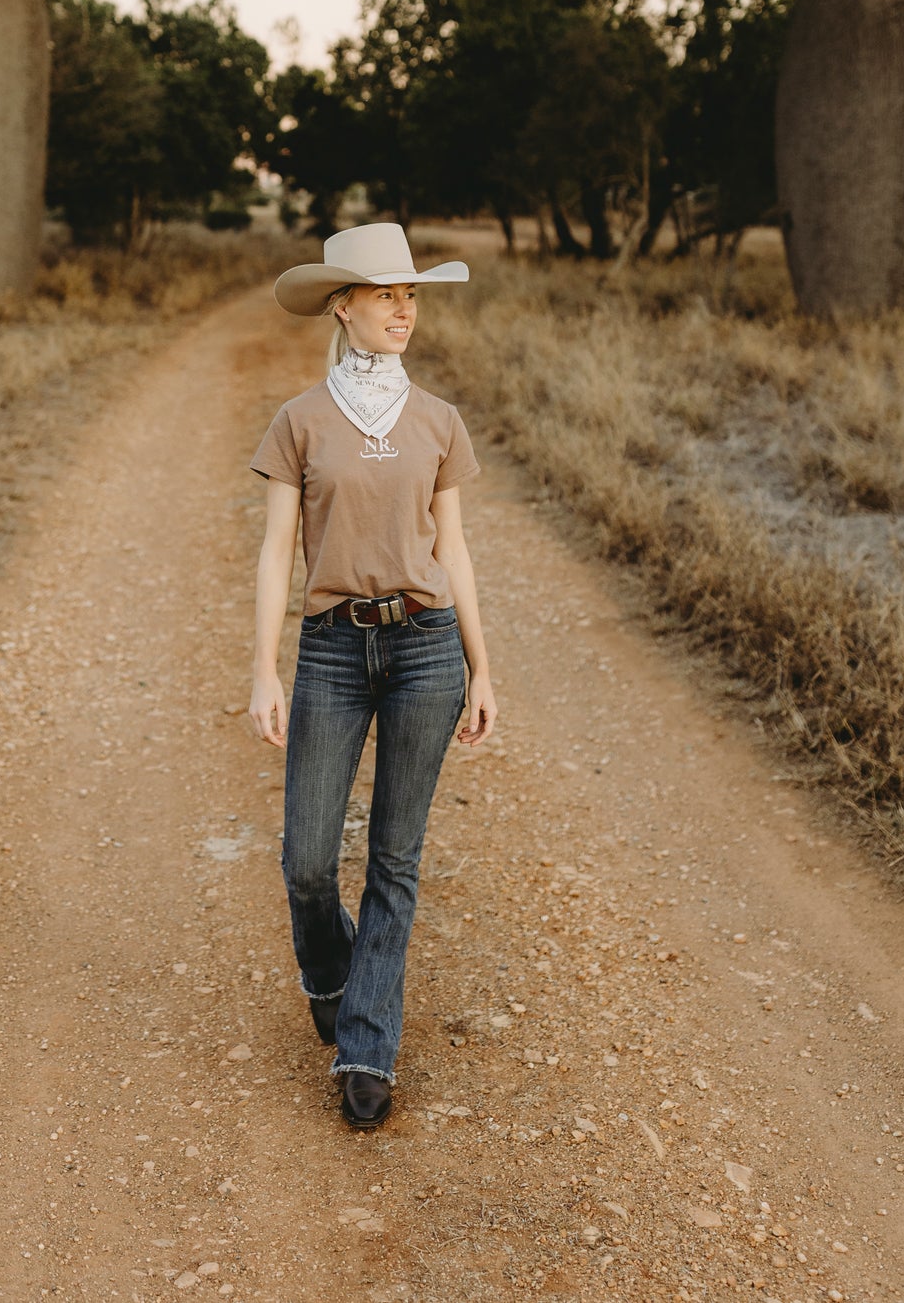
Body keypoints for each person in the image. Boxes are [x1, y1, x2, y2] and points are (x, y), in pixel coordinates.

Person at [247, 222, 497, 1129]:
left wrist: (481, 663)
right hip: (332, 650)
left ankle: (367, 1046)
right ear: (342, 304)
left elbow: (455, 548)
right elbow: (277, 552)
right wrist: (264, 667)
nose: (403, 308)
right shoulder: (299, 421)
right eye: (386, 293)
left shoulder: (437, 419)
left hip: (426, 645)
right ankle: (330, 971)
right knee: (307, 860)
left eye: (412, 294)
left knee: (395, 856)